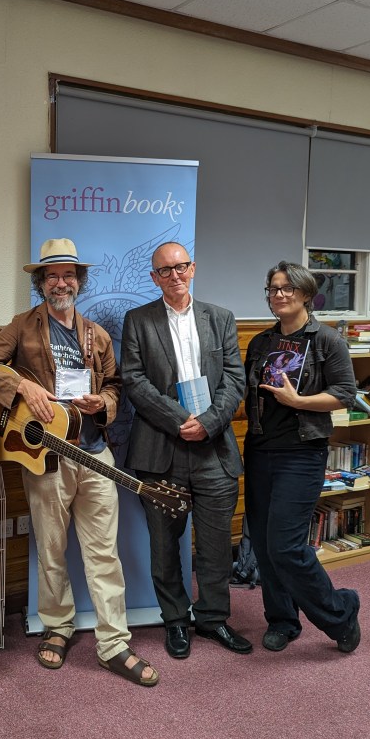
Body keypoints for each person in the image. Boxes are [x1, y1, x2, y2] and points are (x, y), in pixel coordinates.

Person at [0, 238, 158, 687]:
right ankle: (57, 627)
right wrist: (22, 387)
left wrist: (104, 402)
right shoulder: (21, 326)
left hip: (95, 454)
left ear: (79, 281)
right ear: (41, 283)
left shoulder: (97, 334)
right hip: (45, 456)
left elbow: (116, 385)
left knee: (104, 553)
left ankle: (113, 643)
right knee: (51, 550)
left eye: (68, 275)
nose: (60, 283)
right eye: (51, 276)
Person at [121, 241, 251, 659]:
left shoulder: (221, 318)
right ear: (154, 277)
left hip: (214, 449)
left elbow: (234, 378)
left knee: (215, 544)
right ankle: (176, 620)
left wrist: (209, 422)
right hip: (161, 448)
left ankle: (212, 618)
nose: (174, 275)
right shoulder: (138, 320)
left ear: (192, 269)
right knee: (164, 546)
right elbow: (133, 380)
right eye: (165, 270)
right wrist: (179, 419)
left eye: (181, 267)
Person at [244, 261, 360, 653]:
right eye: (273, 288)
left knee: (286, 547)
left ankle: (340, 612)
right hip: (260, 450)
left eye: (287, 288)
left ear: (306, 294)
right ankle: (282, 620)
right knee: (264, 546)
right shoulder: (261, 343)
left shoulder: (327, 341)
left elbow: (344, 393)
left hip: (301, 452)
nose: (278, 295)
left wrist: (299, 401)